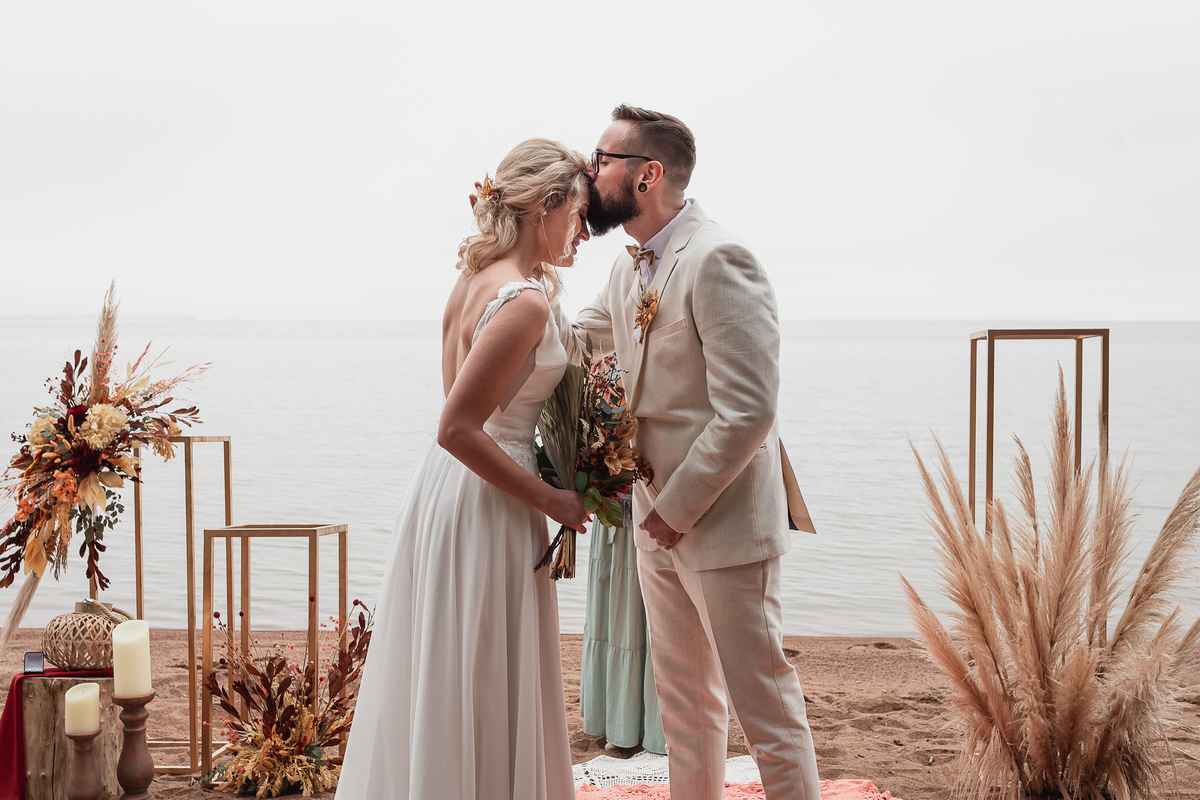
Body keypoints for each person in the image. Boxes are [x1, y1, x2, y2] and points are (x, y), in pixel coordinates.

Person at [569, 105, 822, 800]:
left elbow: (749, 409)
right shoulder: (627, 272)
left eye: (603, 159)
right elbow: (571, 338)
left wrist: (676, 510)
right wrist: (506, 273)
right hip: (657, 526)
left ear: (648, 174)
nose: (591, 173)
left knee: (764, 706)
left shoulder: (719, 258)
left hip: (723, 524)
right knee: (684, 707)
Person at [335, 138, 593, 800]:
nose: (583, 232)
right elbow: (456, 427)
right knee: (479, 670)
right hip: (490, 497)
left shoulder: (473, 280)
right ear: (545, 206)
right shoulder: (525, 301)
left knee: (450, 667)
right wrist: (554, 498)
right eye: (580, 214)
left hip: (446, 493)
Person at [580, 491, 667, 756]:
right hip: (616, 501)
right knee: (619, 614)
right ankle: (621, 722)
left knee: (662, 615)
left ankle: (664, 727)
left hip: (660, 496)